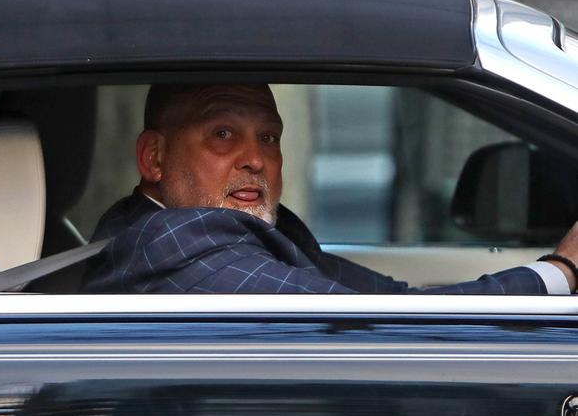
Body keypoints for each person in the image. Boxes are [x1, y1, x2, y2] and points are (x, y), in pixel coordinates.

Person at [83, 84, 578, 294]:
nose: (257, 159)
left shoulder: (143, 224)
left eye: (269, 137)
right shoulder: (181, 249)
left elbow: (387, 297)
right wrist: (563, 269)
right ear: (154, 157)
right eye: (223, 134)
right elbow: (389, 328)